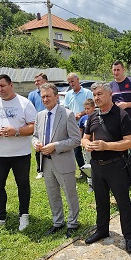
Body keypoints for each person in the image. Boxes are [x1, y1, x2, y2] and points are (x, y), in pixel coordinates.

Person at [82, 82, 131, 253]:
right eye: (94, 95)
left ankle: (129, 236)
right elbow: (84, 138)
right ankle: (102, 230)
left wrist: (107, 146)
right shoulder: (93, 116)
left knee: (123, 203)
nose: (96, 98)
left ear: (109, 94)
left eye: (99, 94)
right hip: (97, 166)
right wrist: (86, 144)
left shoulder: (121, 115)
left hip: (116, 166)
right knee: (101, 201)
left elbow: (129, 142)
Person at [0, 74, 37, 233]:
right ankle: (0, 217)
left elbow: (34, 126)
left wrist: (16, 131)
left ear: (11, 85)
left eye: (3, 86)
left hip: (20, 154)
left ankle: (24, 215)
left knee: (22, 185)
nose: (0, 89)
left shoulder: (24, 103)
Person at [32, 83, 81, 237]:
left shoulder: (67, 114)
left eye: (48, 96)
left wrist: (55, 146)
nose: (45, 99)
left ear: (56, 96)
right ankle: (57, 222)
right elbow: (34, 136)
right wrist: (36, 144)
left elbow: (76, 140)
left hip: (63, 161)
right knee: (53, 194)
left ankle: (73, 223)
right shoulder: (40, 115)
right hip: (46, 162)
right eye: (43, 97)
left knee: (69, 193)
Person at [63, 72, 93, 175]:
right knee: (76, 149)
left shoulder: (87, 93)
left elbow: (92, 107)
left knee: (88, 147)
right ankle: (83, 171)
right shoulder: (68, 94)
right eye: (69, 82)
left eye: (72, 81)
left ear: (78, 80)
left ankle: (92, 169)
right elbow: (66, 108)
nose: (71, 84)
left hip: (86, 123)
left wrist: (81, 114)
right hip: (73, 125)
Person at [28, 73, 47, 180]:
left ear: (45, 81)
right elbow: (30, 110)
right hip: (38, 124)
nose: (36, 83)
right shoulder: (32, 94)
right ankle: (40, 170)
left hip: (50, 122)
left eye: (38, 81)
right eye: (35, 81)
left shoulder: (52, 92)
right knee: (38, 147)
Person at [78, 98, 96, 190]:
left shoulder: (98, 116)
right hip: (87, 146)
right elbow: (80, 131)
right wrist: (81, 141)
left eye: (88, 108)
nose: (86, 111)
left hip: (96, 145)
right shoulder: (83, 119)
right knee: (88, 164)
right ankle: (91, 184)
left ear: (93, 107)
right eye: (85, 109)